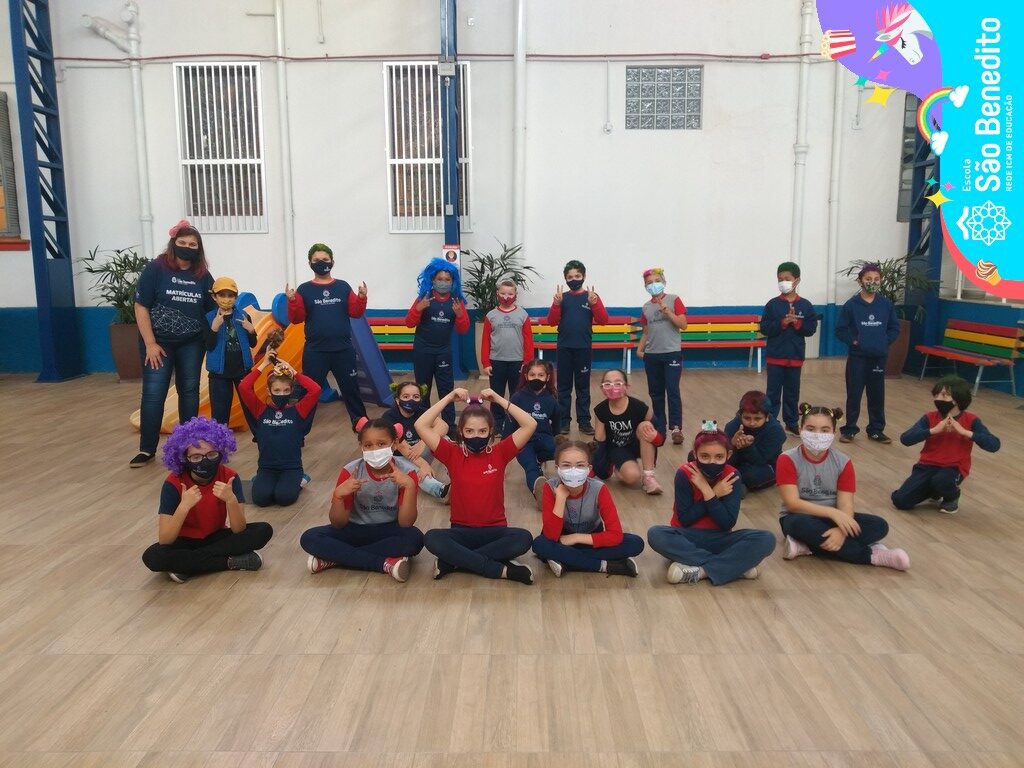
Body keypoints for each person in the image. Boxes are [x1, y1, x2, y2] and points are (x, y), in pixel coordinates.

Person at [417, 388, 537, 584]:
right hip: (461, 532)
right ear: (461, 432)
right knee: (432, 537)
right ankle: (501, 570)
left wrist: (498, 399)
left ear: (490, 431)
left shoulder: (500, 452)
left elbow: (530, 424)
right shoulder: (451, 453)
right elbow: (421, 425)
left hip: (496, 531)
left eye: (482, 431)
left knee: (523, 538)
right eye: (469, 431)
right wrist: (448, 398)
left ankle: (455, 562)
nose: (476, 436)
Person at [776, 403, 909, 570]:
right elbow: (792, 504)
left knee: (879, 526)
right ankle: (872, 556)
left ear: (833, 433)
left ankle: (807, 546)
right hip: (798, 517)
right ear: (801, 429)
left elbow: (846, 505)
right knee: (801, 525)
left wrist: (841, 531)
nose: (817, 435)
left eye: (824, 430)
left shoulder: (843, 462)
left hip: (834, 519)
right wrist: (833, 513)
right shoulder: (787, 459)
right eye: (810, 429)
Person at [141, 417, 273, 582]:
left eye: (211, 454)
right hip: (184, 541)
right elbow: (165, 539)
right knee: (152, 556)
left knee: (263, 530)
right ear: (184, 458)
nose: (205, 461)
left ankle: (186, 565)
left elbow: (239, 530)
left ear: (220, 452)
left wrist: (231, 500)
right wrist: (183, 507)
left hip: (215, 537)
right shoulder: (173, 483)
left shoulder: (230, 477)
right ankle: (228, 562)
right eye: (196, 457)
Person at [131, 219, 216, 468]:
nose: (187, 247)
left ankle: (187, 446)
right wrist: (150, 343)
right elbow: (141, 306)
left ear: (198, 248)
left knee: (189, 391)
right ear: (173, 243)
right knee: (154, 394)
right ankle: (147, 449)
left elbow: (213, 309)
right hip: (158, 344)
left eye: (192, 244)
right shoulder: (156, 269)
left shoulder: (202, 275)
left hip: (192, 343)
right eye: (183, 242)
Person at [647, 423, 776, 584]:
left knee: (766, 539)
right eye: (705, 456)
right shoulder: (684, 473)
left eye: (719, 457)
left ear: (728, 455)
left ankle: (702, 571)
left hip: (721, 538)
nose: (712, 462)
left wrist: (708, 493)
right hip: (687, 537)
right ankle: (734, 567)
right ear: (695, 454)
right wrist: (713, 493)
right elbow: (686, 519)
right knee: (656, 534)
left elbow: (727, 523)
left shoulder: (733, 475)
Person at [300, 418, 425, 581]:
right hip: (355, 529)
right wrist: (338, 496)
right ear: (361, 447)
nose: (375, 450)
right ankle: (383, 563)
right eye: (368, 445)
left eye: (381, 444)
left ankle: (336, 557)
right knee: (310, 537)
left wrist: (409, 487)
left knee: (415, 539)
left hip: (389, 530)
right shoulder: (350, 471)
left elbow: (406, 523)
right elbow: (338, 523)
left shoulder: (407, 473)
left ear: (394, 444)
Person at [286, 243, 368, 431]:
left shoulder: (343, 287)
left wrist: (362, 298)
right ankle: (298, 433)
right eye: (316, 260)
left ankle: (364, 430)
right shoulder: (304, 289)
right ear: (309, 263)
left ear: (332, 261)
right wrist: (292, 301)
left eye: (325, 259)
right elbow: (296, 319)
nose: (321, 262)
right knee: (308, 393)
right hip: (316, 352)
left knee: (352, 392)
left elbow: (355, 313)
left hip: (343, 350)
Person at [891, 374, 1001, 514]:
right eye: (936, 395)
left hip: (953, 468)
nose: (938, 399)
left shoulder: (971, 420)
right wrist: (933, 430)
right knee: (900, 500)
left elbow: (994, 444)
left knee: (942, 480)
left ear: (957, 398)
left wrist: (965, 432)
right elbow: (905, 439)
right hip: (926, 466)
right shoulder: (929, 417)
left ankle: (952, 497)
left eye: (944, 395)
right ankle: (934, 490)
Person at [532, 441, 645, 577]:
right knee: (540, 544)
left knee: (635, 543)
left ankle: (567, 561)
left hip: (590, 540)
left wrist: (576, 538)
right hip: (560, 540)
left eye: (580, 465)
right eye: (566, 465)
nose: (573, 471)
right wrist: (560, 498)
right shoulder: (550, 487)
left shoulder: (599, 489)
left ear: (589, 468)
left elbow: (615, 535)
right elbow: (551, 535)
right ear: (557, 468)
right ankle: (604, 566)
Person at [238, 356, 321, 507]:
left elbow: (315, 390)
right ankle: (260, 481)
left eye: (286, 390)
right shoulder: (260, 410)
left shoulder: (298, 411)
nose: (281, 394)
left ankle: (301, 479)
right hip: (267, 467)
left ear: (291, 391)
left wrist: (293, 371)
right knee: (261, 500)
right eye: (277, 390)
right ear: (269, 391)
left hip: (291, 468)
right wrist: (264, 364)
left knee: (284, 498)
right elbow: (244, 387)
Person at [835, 263, 900, 444]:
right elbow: (840, 330)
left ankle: (876, 430)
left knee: (877, 395)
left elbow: (894, 328)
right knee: (854, 394)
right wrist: (854, 341)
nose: (873, 282)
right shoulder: (851, 305)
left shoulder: (886, 305)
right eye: (868, 279)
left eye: (877, 279)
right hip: (858, 358)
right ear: (860, 281)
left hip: (878, 357)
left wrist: (884, 341)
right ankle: (849, 429)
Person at [405, 258, 470, 432]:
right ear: (432, 279)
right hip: (423, 351)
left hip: (443, 352)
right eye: (440, 279)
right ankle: (423, 426)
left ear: (453, 281)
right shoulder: (424, 298)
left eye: (447, 279)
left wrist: (460, 315)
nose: (443, 282)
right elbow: (409, 323)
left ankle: (449, 427)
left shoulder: (457, 301)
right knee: (423, 390)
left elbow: (464, 329)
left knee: (446, 390)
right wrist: (418, 309)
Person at [547, 260, 609, 436]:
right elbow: (551, 322)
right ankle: (563, 422)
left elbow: (603, 320)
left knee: (583, 388)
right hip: (564, 348)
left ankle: (584, 421)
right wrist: (556, 304)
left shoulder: (592, 297)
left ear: (584, 276)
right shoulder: (562, 298)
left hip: (583, 349)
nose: (574, 279)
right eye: (570, 277)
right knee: (563, 387)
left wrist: (594, 303)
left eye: (577, 276)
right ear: (565, 279)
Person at [760, 262, 818, 435]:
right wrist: (783, 323)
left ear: (797, 280)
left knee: (792, 392)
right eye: (780, 279)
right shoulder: (772, 305)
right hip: (775, 357)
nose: (783, 282)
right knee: (773, 392)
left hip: (795, 357)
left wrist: (797, 323)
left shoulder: (806, 305)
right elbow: (765, 328)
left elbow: (811, 329)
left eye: (787, 278)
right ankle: (770, 422)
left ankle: (791, 422)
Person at [592, 368, 665, 494]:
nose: (612, 387)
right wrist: (597, 468)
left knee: (646, 425)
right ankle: (619, 467)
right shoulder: (600, 410)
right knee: (633, 477)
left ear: (626, 387)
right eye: (608, 383)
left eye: (617, 383)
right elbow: (599, 440)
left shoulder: (639, 406)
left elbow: (658, 427)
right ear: (602, 388)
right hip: (618, 449)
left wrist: (657, 438)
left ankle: (649, 477)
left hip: (638, 443)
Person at [637, 267, 687, 445]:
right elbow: (646, 332)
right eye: (649, 283)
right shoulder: (646, 307)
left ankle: (676, 428)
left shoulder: (674, 300)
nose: (653, 285)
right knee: (656, 393)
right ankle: (660, 426)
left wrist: (668, 312)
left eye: (657, 281)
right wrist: (640, 349)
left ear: (664, 282)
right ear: (645, 286)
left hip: (671, 353)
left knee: (672, 390)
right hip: (652, 355)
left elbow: (683, 324)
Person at [204, 276, 257, 429]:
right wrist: (214, 328)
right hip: (219, 374)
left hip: (243, 370)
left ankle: (261, 438)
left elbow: (253, 343)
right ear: (214, 297)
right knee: (220, 415)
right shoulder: (208, 318)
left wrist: (251, 330)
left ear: (236, 297)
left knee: (252, 408)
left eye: (231, 295)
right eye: (222, 295)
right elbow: (209, 346)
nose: (227, 299)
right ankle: (219, 442)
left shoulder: (243, 316)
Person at [481, 279, 535, 430]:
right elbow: (485, 341)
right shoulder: (491, 315)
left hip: (518, 362)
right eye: (503, 293)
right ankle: (497, 425)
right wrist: (486, 363)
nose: (506, 297)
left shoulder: (523, 315)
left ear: (515, 295)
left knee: (517, 394)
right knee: (496, 394)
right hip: (496, 361)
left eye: (510, 294)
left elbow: (528, 340)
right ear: (497, 294)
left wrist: (528, 362)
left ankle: (515, 423)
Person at [504, 359, 560, 506]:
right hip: (524, 442)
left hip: (545, 439)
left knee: (558, 452)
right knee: (531, 467)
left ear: (547, 377)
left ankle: (539, 460)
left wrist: (559, 443)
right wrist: (503, 454)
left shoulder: (552, 399)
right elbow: (509, 426)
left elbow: (557, 426)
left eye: (540, 375)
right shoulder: (517, 398)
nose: (536, 378)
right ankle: (540, 492)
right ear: (526, 376)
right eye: (532, 375)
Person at [383, 380, 450, 500]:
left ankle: (459, 474)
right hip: (399, 459)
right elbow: (401, 446)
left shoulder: (422, 412)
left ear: (420, 399)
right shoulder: (389, 417)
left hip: (418, 452)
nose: (411, 400)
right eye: (406, 396)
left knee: (445, 439)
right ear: (397, 400)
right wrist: (423, 465)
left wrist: (423, 442)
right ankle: (443, 492)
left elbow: (443, 426)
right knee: (418, 472)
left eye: (415, 396)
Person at [722, 390, 787, 492]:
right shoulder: (732, 426)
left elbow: (761, 460)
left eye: (757, 419)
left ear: (767, 417)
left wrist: (748, 446)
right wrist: (732, 444)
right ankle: (734, 483)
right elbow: (723, 455)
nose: (752, 423)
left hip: (765, 465)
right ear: (740, 415)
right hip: (740, 463)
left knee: (751, 475)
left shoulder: (776, 431)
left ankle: (731, 483)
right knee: (711, 460)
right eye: (747, 418)